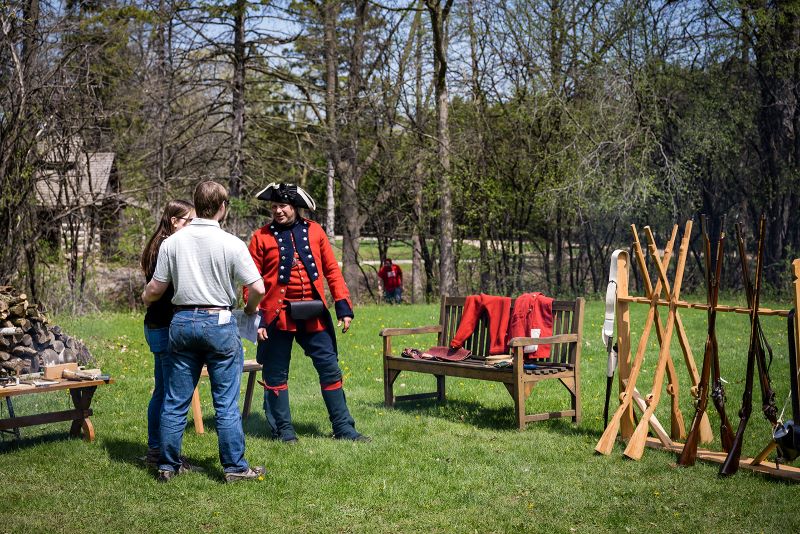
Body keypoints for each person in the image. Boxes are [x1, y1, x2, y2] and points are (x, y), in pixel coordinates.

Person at [142, 181, 267, 483]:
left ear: (197, 206)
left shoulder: (173, 243)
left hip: (182, 322)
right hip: (220, 322)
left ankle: (167, 465)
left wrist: (146, 297)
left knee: (175, 399)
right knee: (225, 402)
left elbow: (156, 288)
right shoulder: (232, 243)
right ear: (223, 207)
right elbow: (259, 288)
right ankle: (235, 467)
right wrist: (250, 311)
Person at [247, 182, 369, 443]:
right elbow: (251, 280)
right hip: (276, 317)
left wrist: (343, 307)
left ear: (295, 207)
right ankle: (284, 430)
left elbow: (332, 271)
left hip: (313, 313)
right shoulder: (260, 237)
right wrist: (256, 318)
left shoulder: (314, 231)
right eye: (274, 206)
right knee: (276, 373)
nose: (278, 211)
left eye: (283, 206)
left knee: (330, 368)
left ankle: (343, 428)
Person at [139, 199, 195, 469]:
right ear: (175, 221)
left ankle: (155, 451)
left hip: (155, 325)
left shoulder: (156, 243)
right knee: (170, 394)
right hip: (164, 326)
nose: (192, 226)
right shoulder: (168, 247)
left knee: (162, 391)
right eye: (189, 221)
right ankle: (163, 455)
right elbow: (160, 289)